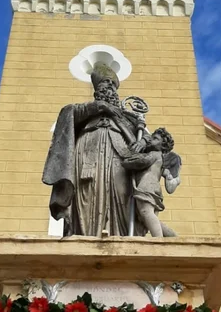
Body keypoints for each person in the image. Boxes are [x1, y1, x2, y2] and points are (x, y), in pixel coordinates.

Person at [42, 63, 146, 237]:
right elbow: (68, 114)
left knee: (122, 193)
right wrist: (99, 107)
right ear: (98, 88)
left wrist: (142, 143)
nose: (110, 88)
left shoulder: (126, 116)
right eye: (106, 83)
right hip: (88, 151)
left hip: (119, 156)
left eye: (113, 85)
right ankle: (84, 233)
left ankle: (121, 235)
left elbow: (146, 139)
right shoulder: (85, 110)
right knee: (87, 193)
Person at [121, 127, 182, 237]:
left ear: (162, 145)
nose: (150, 140)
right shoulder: (161, 159)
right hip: (154, 188)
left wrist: (130, 157)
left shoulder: (155, 154)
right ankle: (172, 236)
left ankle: (158, 241)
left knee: (146, 212)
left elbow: (143, 161)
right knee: (148, 217)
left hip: (146, 187)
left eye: (155, 138)